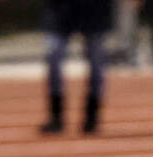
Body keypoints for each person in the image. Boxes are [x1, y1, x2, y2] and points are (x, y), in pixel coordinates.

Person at [39, 0, 112, 134]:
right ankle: (56, 117)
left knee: (96, 62)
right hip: (61, 9)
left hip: (95, 9)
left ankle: (92, 117)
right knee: (54, 56)